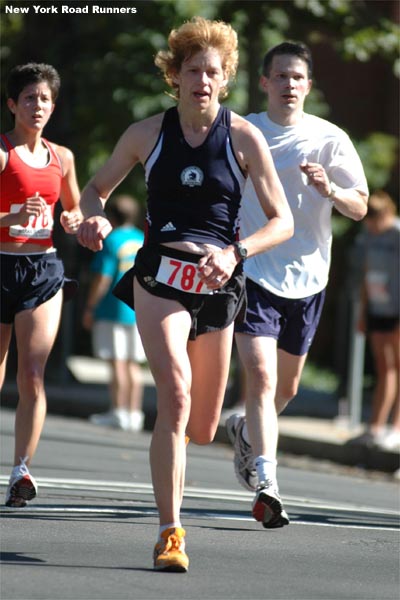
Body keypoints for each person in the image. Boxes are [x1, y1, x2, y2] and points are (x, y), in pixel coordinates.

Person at [77, 17, 293, 572]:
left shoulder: (243, 136)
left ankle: (234, 429)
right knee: (173, 395)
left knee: (200, 426)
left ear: (226, 79)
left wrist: (235, 253)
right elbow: (94, 191)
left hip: (219, 282)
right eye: (193, 70)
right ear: (175, 76)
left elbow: (282, 220)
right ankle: (170, 532)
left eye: (213, 71)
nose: (203, 79)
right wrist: (94, 221)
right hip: (161, 278)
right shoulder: (146, 133)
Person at [226, 41, 368, 528]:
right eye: (280, 76)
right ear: (264, 82)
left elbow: (361, 206)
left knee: (284, 389)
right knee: (261, 378)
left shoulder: (330, 139)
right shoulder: (243, 131)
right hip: (254, 268)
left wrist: (331, 189)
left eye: (297, 77)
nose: (289, 84)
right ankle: (268, 483)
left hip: (308, 277)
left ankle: (246, 430)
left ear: (309, 85)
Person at [0, 63, 82, 507]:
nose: (38, 106)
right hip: (0, 265)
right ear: (13, 105)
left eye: (45, 99)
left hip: (41, 270)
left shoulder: (61, 157)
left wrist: (74, 219)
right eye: (29, 98)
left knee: (32, 372)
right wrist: (10, 217)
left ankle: (21, 470)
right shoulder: (1, 152)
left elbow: (74, 210)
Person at [82, 194, 146, 432]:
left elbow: (103, 276)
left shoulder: (111, 240)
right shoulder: (142, 238)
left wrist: (90, 306)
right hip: (138, 308)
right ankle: (134, 413)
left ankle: (118, 411)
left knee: (117, 362)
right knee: (133, 364)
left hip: (112, 307)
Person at [353, 191, 399, 450]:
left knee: (398, 367)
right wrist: (363, 312)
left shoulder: (397, 234)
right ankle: (375, 427)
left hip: (397, 309)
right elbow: (366, 272)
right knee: (384, 368)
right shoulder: (369, 237)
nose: (371, 224)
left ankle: (396, 428)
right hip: (377, 307)